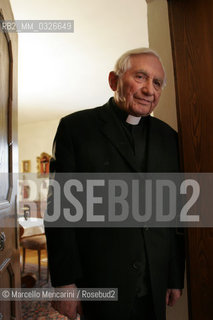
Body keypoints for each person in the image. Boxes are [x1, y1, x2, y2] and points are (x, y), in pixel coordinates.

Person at [45, 48, 185, 320]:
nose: (149, 89)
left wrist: (174, 276)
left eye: (157, 83)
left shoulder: (169, 138)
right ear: (114, 81)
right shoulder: (76, 129)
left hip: (153, 283)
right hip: (100, 282)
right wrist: (65, 283)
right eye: (141, 77)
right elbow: (60, 212)